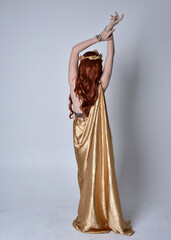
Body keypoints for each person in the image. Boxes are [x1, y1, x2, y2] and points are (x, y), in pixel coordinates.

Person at [68, 11, 135, 236]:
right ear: (97, 73)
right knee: (97, 173)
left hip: (79, 133)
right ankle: (97, 213)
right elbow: (111, 58)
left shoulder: (74, 85)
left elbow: (74, 50)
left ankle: (89, 215)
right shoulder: (101, 88)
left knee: (85, 175)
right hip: (96, 139)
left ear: (81, 69)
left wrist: (100, 36)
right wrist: (110, 35)